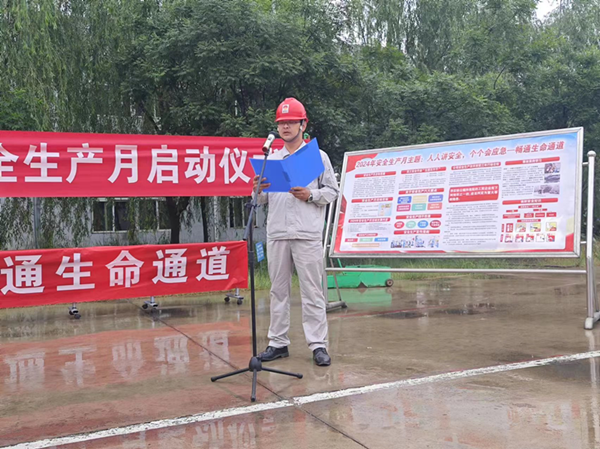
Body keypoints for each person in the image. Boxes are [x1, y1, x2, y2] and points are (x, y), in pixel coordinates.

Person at [253, 98, 339, 366]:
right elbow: (261, 200)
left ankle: (318, 345)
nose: (285, 127)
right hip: (278, 232)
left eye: (291, 122)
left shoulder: (318, 157)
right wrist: (257, 188)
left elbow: (332, 191)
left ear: (303, 124)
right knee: (278, 290)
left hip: (306, 233)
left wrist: (311, 194)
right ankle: (278, 343)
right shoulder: (271, 159)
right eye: (281, 123)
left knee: (312, 291)